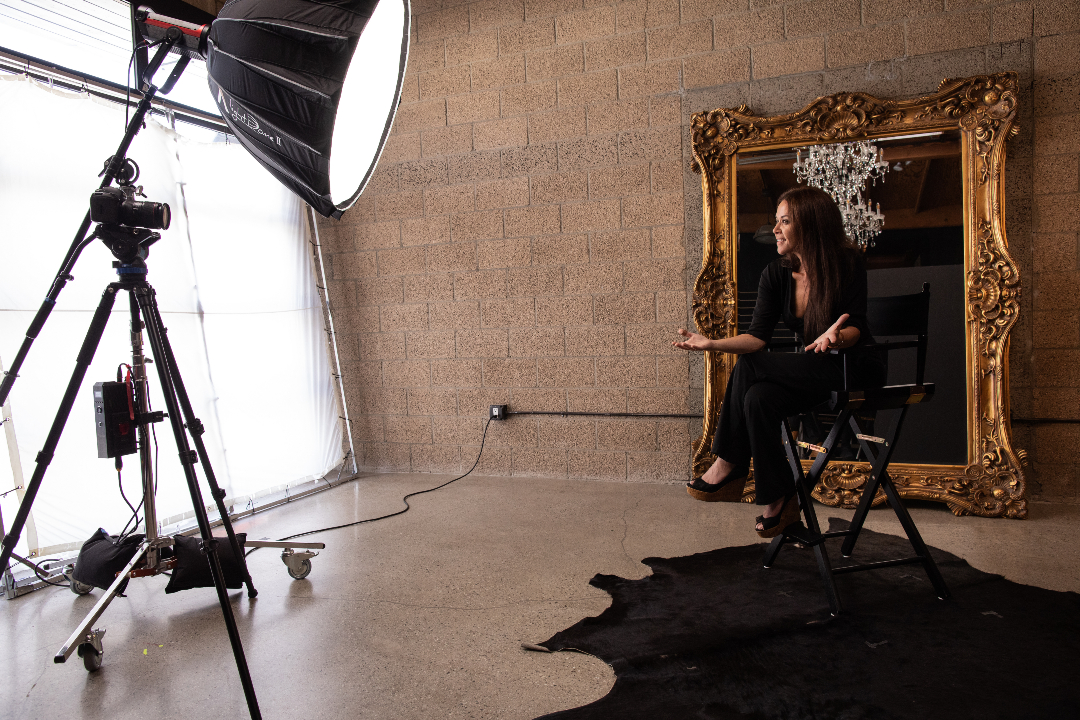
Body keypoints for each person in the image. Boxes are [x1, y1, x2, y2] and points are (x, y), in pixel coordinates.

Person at [672, 186, 885, 538]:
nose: (775, 229)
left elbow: (857, 327)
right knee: (758, 398)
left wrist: (836, 336)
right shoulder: (776, 274)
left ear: (810, 224)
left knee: (751, 367)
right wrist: (712, 343)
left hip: (852, 367)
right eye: (776, 221)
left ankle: (728, 462)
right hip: (813, 368)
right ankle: (780, 497)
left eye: (785, 221)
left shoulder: (846, 263)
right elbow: (757, 337)